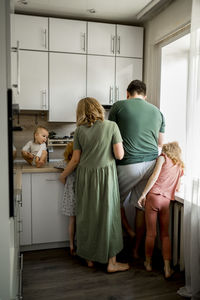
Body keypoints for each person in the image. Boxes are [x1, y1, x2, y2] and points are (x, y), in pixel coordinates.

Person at [60, 97, 129, 273]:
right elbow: (120, 155)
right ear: (99, 109)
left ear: (80, 112)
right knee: (109, 215)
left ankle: (89, 258)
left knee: (87, 215)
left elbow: (75, 160)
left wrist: (63, 175)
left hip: (85, 177)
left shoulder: (79, 131)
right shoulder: (112, 126)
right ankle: (111, 262)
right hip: (106, 177)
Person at [108, 79, 165, 258]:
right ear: (145, 95)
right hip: (151, 165)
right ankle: (135, 250)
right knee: (140, 206)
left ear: (127, 93)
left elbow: (111, 135)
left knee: (114, 203)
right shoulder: (158, 111)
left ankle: (116, 248)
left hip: (128, 164)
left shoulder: (118, 106)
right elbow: (160, 142)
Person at [138, 142, 184, 278]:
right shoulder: (180, 166)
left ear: (166, 150)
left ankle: (148, 263)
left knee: (151, 233)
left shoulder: (163, 157)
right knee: (165, 235)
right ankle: (168, 268)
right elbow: (177, 188)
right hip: (165, 201)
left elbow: (154, 177)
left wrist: (143, 194)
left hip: (153, 198)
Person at [55, 142, 76, 256]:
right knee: (81, 221)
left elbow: (56, 164)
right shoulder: (82, 163)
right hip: (82, 196)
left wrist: (67, 184)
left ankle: (72, 245)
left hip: (70, 196)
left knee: (72, 221)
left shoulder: (66, 163)